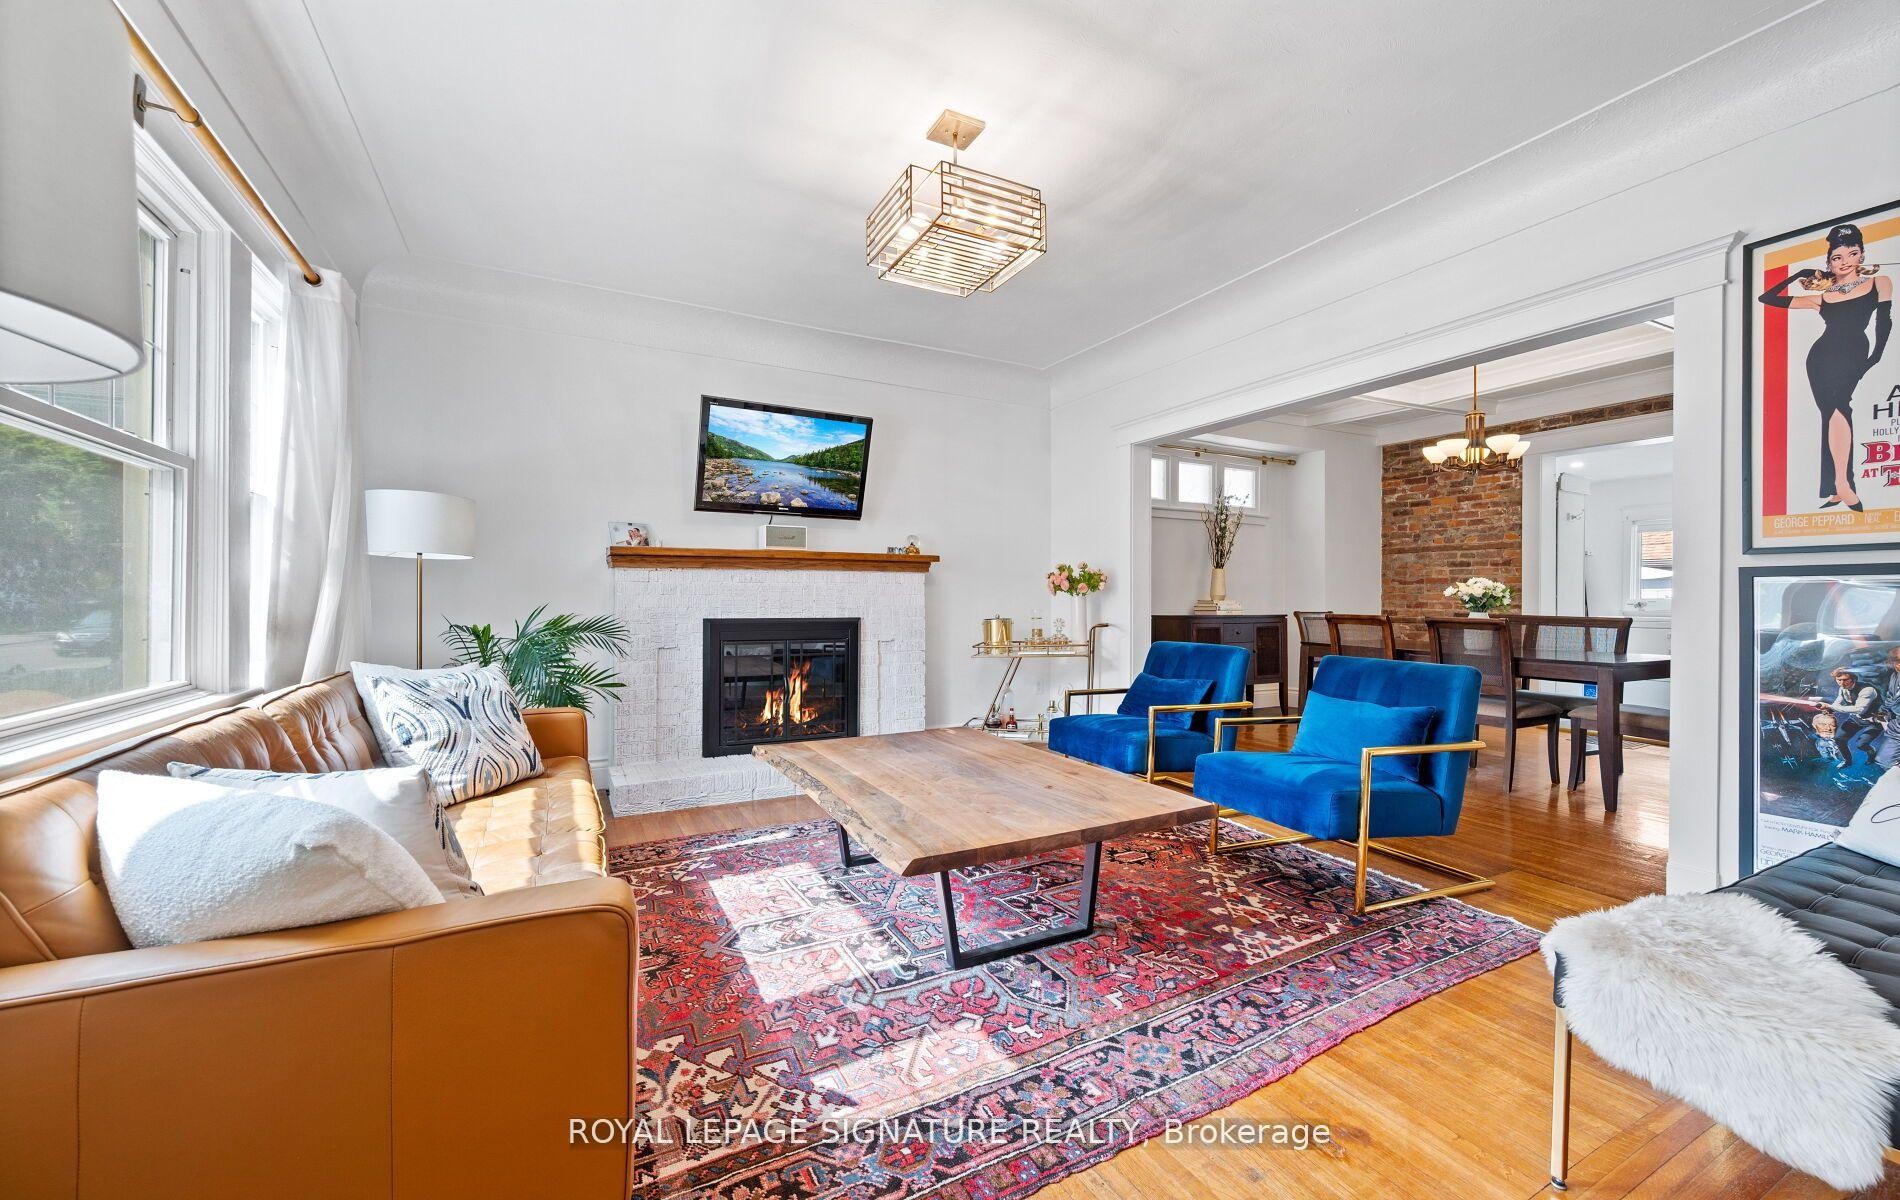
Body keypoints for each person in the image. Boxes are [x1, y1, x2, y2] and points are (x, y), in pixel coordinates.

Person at [1759, 223, 1894, 511]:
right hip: (1820, 358)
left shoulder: (1879, 282)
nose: (1844, 261)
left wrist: (1877, 355)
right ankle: (1838, 487)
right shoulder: (1822, 297)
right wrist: (1798, 274)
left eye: (1851, 253)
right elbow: (1766, 299)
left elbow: (1885, 321)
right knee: (1830, 412)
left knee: (1839, 407)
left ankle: (1843, 484)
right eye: (1836, 257)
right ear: (1829, 262)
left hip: (1855, 352)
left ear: (1861, 255)